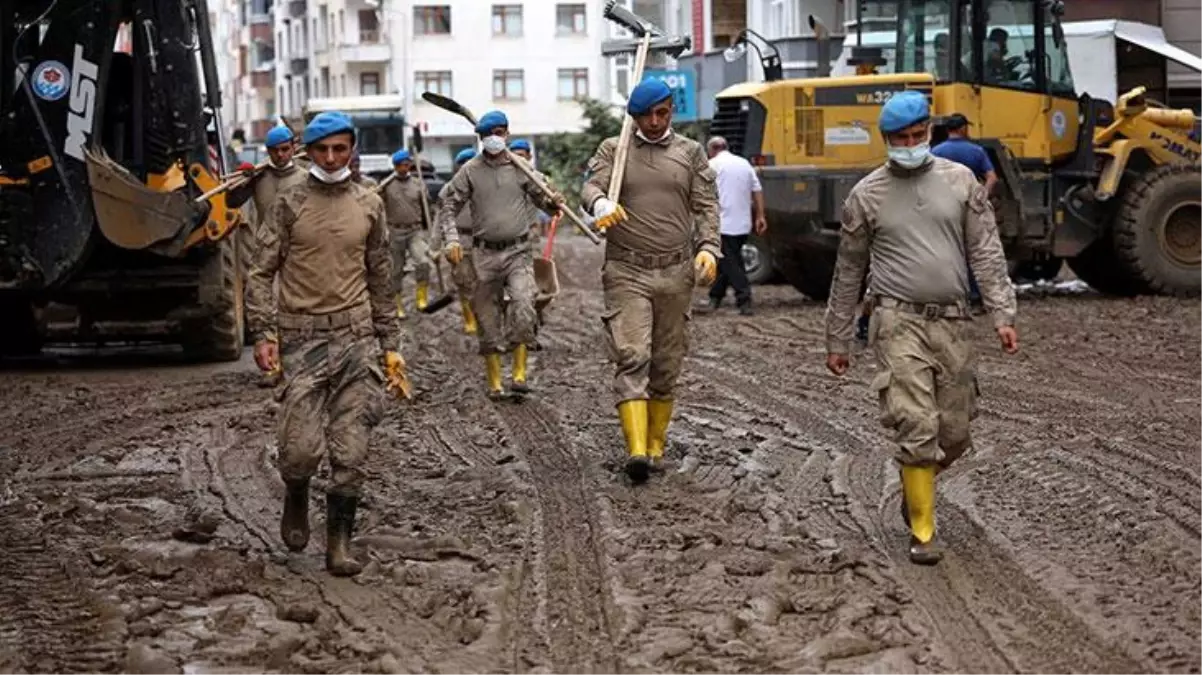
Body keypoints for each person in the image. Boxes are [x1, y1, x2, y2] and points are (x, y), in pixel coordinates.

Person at [823, 91, 1018, 565]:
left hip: (952, 321)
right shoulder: (866, 195)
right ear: (885, 138)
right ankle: (924, 533)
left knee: (953, 433)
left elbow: (986, 252)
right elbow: (848, 271)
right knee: (916, 422)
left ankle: (919, 485)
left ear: (928, 132)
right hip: (896, 321)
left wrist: (1002, 313)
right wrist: (838, 337)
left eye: (916, 135)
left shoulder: (960, 182)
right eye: (899, 138)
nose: (909, 144)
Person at [245, 111, 409, 577]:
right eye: (323, 150)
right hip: (302, 339)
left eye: (341, 149)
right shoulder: (289, 202)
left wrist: (390, 343)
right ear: (307, 152)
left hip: (357, 339)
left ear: (352, 149)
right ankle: (295, 492)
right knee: (299, 451)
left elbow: (381, 276)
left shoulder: (369, 203)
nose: (333, 158)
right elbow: (260, 272)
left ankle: (339, 543)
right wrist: (264, 333)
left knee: (351, 451)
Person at [581, 79, 721, 483]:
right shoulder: (615, 150)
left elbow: (707, 206)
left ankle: (656, 445)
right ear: (634, 116)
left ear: (671, 110)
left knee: (666, 363)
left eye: (662, 113)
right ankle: (637, 451)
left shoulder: (690, 153)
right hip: (627, 270)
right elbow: (590, 186)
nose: (655, 121)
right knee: (631, 354)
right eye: (646, 115)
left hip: (677, 272)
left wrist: (709, 247)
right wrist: (600, 201)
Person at [436, 111, 565, 399]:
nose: (493, 139)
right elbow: (447, 205)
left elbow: (545, 200)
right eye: (487, 134)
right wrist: (452, 239)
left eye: (498, 132)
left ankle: (519, 374)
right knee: (486, 317)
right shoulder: (470, 170)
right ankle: (494, 381)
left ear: (506, 133)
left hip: (518, 252)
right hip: (484, 256)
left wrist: (553, 202)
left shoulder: (522, 168)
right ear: (481, 138)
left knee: (524, 306)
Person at [227, 125, 308, 388]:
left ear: (293, 148)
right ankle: (273, 366)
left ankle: (301, 364)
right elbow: (231, 201)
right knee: (266, 307)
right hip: (266, 250)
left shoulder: (306, 178)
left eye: (285, 149)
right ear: (268, 151)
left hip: (298, 250)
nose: (281, 155)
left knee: (296, 306)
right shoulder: (259, 178)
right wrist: (243, 180)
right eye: (275, 151)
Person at [932, 113, 998, 304]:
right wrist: (981, 198)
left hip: (942, 207)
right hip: (967, 207)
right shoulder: (976, 151)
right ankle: (975, 296)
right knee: (973, 251)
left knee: (945, 250)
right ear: (963, 129)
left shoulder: (935, 151)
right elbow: (992, 177)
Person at [704, 135, 767, 316]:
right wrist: (760, 216)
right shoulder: (744, 164)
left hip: (722, 223)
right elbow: (757, 190)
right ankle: (715, 297)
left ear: (711, 150)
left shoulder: (712, 165)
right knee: (727, 260)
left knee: (730, 263)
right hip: (742, 223)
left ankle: (744, 299)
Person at [432, 148, 480, 335]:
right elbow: (439, 219)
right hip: (459, 240)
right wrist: (435, 245)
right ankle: (470, 319)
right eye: (464, 165)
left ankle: (489, 318)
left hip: (486, 240)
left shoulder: (489, 186)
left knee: (488, 282)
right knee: (464, 281)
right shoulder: (449, 189)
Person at [382, 149, 433, 318]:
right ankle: (397, 304)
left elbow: (428, 207)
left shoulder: (418, 183)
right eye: (401, 165)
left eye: (407, 164)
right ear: (395, 166)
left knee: (423, 262)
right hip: (395, 231)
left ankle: (421, 298)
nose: (405, 168)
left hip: (415, 231)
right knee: (395, 270)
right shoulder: (386, 185)